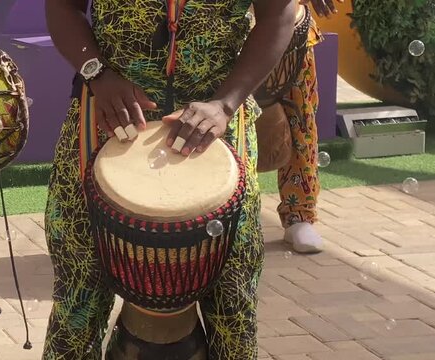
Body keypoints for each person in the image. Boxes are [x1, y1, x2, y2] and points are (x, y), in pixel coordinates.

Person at [43, 0, 296, 358]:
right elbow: (62, 7)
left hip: (217, 128)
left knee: (233, 299)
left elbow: (279, 13)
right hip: (104, 118)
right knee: (78, 294)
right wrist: (97, 74)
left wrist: (225, 104)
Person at [278, 0, 343, 253]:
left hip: (291, 30)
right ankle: (221, 212)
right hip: (226, 29)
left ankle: (299, 216)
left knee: (300, 121)